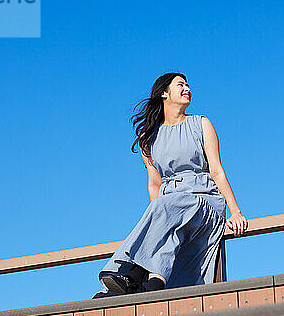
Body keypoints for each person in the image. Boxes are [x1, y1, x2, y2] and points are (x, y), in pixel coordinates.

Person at [94, 72, 248, 297]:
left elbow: (216, 170)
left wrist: (235, 212)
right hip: (170, 205)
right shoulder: (148, 137)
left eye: (188, 85)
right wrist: (160, 226)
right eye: (181, 85)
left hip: (202, 199)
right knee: (163, 208)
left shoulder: (201, 124)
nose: (187, 88)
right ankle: (150, 283)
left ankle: (132, 272)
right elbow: (154, 184)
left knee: (166, 205)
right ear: (164, 93)